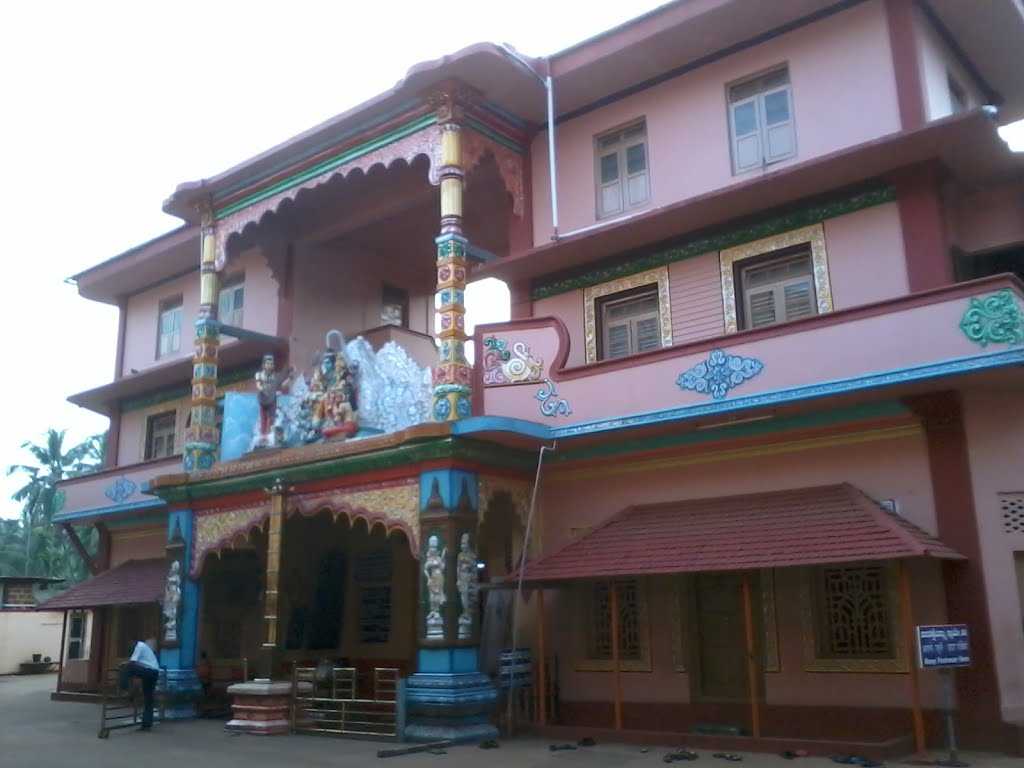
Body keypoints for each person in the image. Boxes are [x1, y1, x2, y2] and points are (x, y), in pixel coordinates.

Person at [120, 637, 160, 730]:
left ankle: (125, 689)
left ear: (134, 643)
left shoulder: (139, 646)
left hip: (149, 671)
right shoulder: (143, 647)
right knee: (148, 699)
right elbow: (135, 662)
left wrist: (124, 664)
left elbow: (132, 662)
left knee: (128, 668)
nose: (131, 650)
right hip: (153, 672)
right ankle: (146, 725)